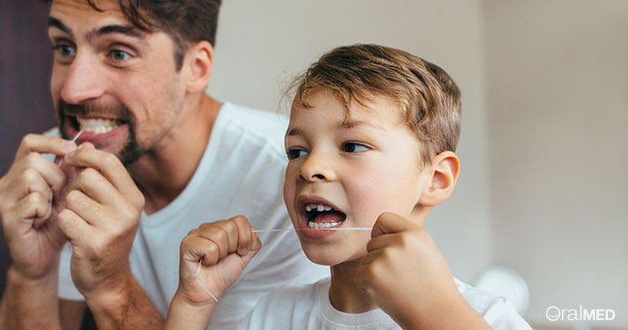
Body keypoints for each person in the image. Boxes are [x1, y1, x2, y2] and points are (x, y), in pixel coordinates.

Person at [0, 0, 328, 329]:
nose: (73, 92)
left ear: (196, 68)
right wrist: (32, 274)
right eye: (64, 48)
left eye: (118, 53)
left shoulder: (293, 181)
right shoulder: (57, 167)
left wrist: (112, 288)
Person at [166, 44, 533, 329]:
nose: (310, 167)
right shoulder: (274, 315)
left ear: (435, 180)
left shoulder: (485, 316)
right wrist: (193, 304)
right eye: (296, 150)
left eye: (353, 146)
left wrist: (434, 314)